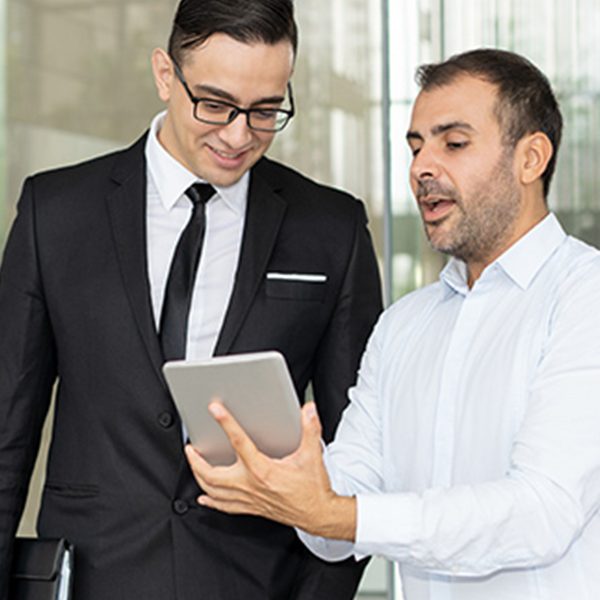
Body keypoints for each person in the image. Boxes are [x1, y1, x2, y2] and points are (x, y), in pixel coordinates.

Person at [0, 1, 382, 598]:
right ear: (164, 74)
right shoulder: (56, 213)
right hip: (95, 575)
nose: (238, 135)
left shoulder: (331, 228)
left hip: (259, 582)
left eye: (265, 111)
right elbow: (7, 427)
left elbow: (363, 446)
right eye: (215, 104)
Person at [186, 48, 600, 599]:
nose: (422, 167)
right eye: (415, 146)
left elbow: (542, 512)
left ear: (531, 159)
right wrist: (287, 481)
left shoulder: (585, 296)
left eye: (454, 143)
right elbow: (335, 527)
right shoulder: (403, 324)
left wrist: (338, 514)